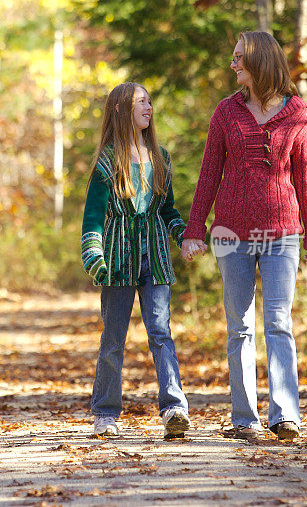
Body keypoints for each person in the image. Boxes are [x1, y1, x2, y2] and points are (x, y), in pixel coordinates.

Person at [181, 31, 307, 441]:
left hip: (283, 234)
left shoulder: (297, 112)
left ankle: (285, 416)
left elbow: (306, 177)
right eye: (233, 57)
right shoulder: (226, 112)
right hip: (231, 235)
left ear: (260, 60)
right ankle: (244, 419)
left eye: (239, 57)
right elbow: (209, 173)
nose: (233, 64)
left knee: (279, 322)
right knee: (239, 326)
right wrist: (195, 229)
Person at [81, 82, 196, 439]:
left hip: (156, 259)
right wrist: (95, 257)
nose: (148, 106)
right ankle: (105, 414)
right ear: (122, 110)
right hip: (118, 261)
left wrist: (186, 236)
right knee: (114, 338)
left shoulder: (159, 157)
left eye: (149, 101)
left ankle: (174, 408)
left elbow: (168, 210)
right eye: (140, 101)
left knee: (161, 333)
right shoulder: (108, 162)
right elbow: (93, 218)